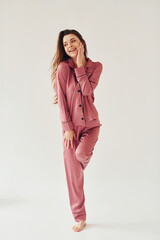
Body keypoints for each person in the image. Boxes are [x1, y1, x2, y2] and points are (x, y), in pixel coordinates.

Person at [50, 29, 103, 232]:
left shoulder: (96, 67)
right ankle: (80, 217)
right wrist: (67, 128)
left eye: (73, 41)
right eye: (65, 44)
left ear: (81, 42)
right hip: (70, 130)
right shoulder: (63, 68)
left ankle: (78, 165)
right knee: (73, 177)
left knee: (80, 155)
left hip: (91, 125)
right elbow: (62, 101)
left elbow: (88, 91)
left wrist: (81, 65)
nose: (69, 46)